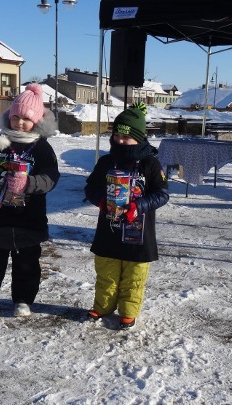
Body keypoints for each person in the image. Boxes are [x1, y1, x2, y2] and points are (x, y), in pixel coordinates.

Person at [0, 83, 60, 317]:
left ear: (37, 121)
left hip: (28, 219)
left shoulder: (42, 148)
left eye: (26, 118)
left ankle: (23, 299)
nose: (19, 123)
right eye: (15, 116)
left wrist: (28, 183)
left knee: (27, 264)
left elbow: (51, 177)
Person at [84, 102, 169, 330]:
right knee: (106, 271)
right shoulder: (105, 162)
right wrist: (100, 201)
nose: (120, 140)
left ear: (139, 137)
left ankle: (129, 311)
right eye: (117, 135)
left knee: (134, 275)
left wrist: (137, 207)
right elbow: (90, 188)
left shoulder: (150, 164)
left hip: (137, 231)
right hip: (109, 229)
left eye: (127, 136)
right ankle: (102, 306)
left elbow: (162, 194)